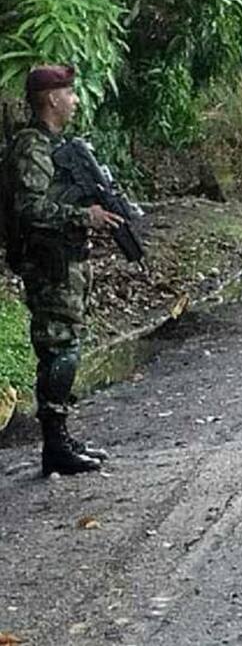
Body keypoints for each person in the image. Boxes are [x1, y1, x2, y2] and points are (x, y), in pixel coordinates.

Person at [7, 65, 124, 475]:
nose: (75, 100)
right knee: (60, 348)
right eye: (70, 94)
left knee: (68, 343)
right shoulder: (32, 147)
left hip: (66, 260)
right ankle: (54, 446)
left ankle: (61, 437)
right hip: (49, 265)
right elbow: (29, 208)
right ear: (53, 99)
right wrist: (82, 216)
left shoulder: (57, 146)